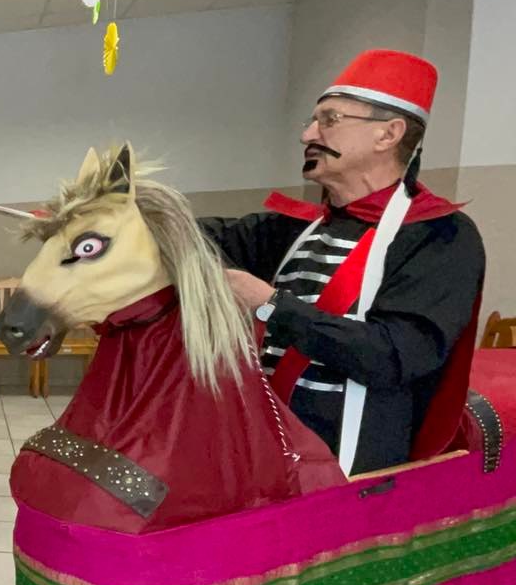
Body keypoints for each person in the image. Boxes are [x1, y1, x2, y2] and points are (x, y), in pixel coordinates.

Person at [200, 49, 485, 475]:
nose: (308, 135)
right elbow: (189, 235)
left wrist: (271, 306)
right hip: (266, 456)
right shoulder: (292, 229)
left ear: (388, 134)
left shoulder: (441, 235)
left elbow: (393, 356)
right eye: (312, 121)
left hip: (358, 472)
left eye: (329, 120)